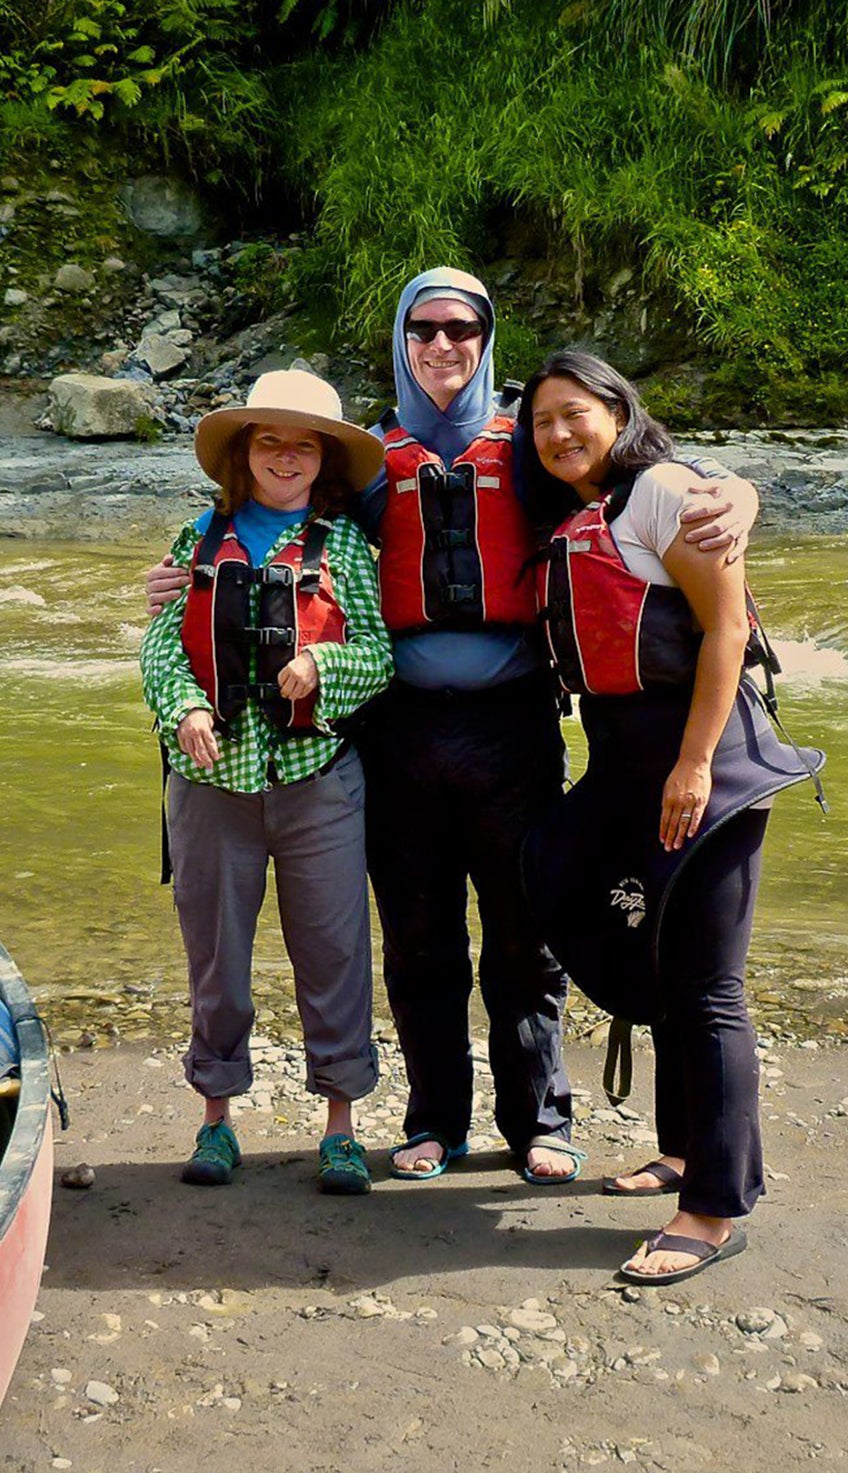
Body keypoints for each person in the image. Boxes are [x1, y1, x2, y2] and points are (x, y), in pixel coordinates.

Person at [148, 267, 761, 1186]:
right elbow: (270, 531)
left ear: (486, 337)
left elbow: (641, 475)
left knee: (525, 930)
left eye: (462, 328)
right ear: (401, 340)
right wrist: (173, 583)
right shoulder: (367, 464)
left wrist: (738, 490)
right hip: (393, 733)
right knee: (419, 934)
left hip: (512, 725)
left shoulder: (533, 444)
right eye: (423, 329)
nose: (443, 345)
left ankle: (538, 1121)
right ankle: (435, 1119)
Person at [516, 349, 824, 1281]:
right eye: (542, 424)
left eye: (576, 414)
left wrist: (694, 766)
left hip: (709, 758)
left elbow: (726, 626)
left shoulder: (662, 491)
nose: (560, 434)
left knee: (708, 985)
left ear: (618, 411)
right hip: (626, 761)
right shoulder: (590, 514)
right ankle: (684, 1148)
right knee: (573, 884)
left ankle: (713, 1207)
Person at [140, 368, 393, 1195]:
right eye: (270, 441)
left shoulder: (347, 548)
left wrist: (322, 663)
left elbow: (380, 657)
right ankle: (216, 1121)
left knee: (335, 951)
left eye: (305, 445)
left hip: (318, 779)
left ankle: (342, 1128)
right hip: (210, 785)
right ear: (243, 455)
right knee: (216, 959)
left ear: (324, 462)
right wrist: (184, 709)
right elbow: (162, 648)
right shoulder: (191, 542)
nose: (286, 457)